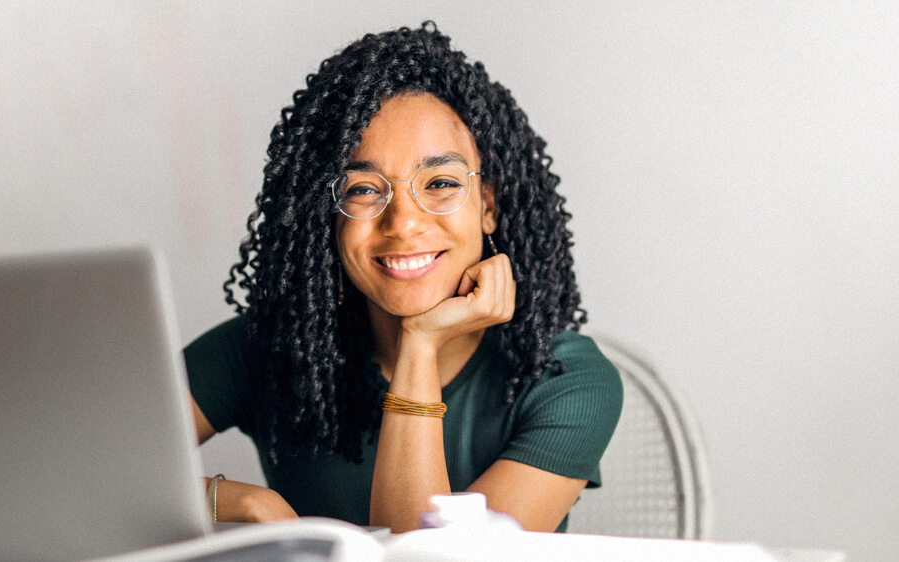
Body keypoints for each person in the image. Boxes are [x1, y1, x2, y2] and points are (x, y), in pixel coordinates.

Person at [183, 22, 622, 534]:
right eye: (364, 190)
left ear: (489, 206)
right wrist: (239, 502)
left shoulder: (565, 379)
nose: (405, 222)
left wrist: (420, 343)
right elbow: (78, 468)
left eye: (440, 183)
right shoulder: (268, 347)